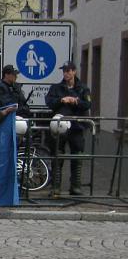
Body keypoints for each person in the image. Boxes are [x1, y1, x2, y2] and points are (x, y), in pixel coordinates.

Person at [45, 61, 91, 197]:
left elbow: (87, 104)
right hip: (60, 127)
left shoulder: (83, 88)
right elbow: (49, 102)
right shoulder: (56, 88)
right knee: (57, 156)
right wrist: (61, 100)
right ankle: (56, 187)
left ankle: (76, 186)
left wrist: (75, 101)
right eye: (64, 71)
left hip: (77, 126)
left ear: (74, 71)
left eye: (68, 70)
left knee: (77, 155)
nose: (66, 73)